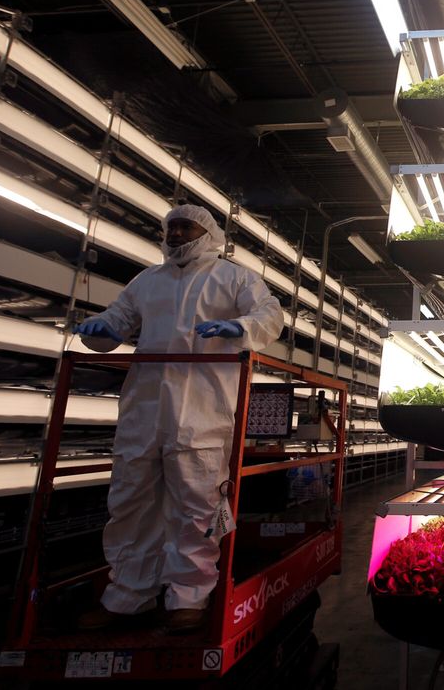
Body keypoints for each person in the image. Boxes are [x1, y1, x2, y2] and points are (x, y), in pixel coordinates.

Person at [72, 204, 284, 633]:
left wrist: (239, 327)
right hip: (145, 408)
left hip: (202, 409)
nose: (175, 234)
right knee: (132, 500)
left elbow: (270, 316)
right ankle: (127, 595)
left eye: (185, 227)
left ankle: (189, 596)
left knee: (196, 504)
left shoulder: (234, 277)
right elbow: (119, 319)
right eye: (170, 227)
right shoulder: (147, 281)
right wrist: (101, 329)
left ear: (206, 233)